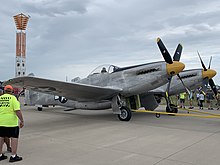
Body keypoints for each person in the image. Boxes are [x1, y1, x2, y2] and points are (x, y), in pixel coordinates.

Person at [0, 85, 24, 162]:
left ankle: (0, 155)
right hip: (11, 123)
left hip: (1, 122)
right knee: (14, 138)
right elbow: (17, 110)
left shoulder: (0, 98)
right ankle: (13, 156)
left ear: (4, 90)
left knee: (1, 138)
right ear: (11, 91)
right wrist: (22, 120)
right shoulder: (13, 98)